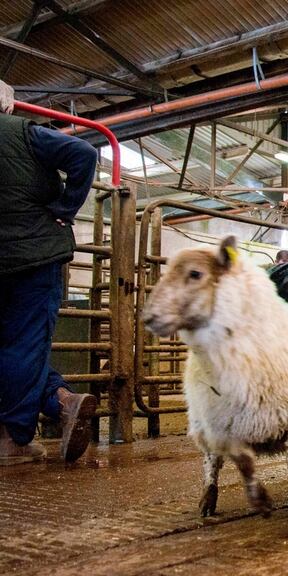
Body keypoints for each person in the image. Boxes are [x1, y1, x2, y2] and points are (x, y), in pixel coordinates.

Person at [0, 79, 100, 465]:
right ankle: (24, 432)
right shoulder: (26, 133)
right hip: (36, 257)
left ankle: (58, 404)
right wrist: (64, 209)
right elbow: (83, 154)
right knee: (24, 343)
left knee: (13, 346)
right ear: (7, 106)